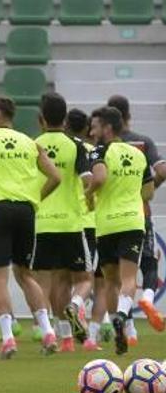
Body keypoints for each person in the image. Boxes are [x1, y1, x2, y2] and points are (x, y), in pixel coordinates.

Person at [0, 97, 62, 359]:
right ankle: (48, 331)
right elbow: (56, 177)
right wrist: (35, 199)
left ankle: (8, 338)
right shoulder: (31, 143)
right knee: (26, 274)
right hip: (26, 210)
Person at [86, 106, 157, 355]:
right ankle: (123, 318)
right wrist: (129, 196)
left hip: (106, 224)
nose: (91, 131)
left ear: (107, 128)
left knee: (110, 283)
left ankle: (120, 321)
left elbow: (100, 178)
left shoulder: (99, 150)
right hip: (132, 223)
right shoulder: (138, 153)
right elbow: (148, 192)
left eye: (95, 126)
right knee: (129, 280)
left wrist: (88, 195)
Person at [31, 93, 93, 353]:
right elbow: (89, 180)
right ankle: (76, 305)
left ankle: (55, 336)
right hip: (70, 223)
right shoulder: (76, 145)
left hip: (41, 223)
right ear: (65, 118)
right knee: (84, 279)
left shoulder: (31, 145)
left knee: (45, 284)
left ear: (40, 119)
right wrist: (88, 201)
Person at [107, 95, 166, 332]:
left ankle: (128, 327)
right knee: (148, 263)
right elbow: (162, 170)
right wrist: (145, 189)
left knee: (119, 274)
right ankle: (148, 299)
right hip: (140, 213)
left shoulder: (106, 147)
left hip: (110, 216)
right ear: (128, 116)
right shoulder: (143, 143)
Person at [66, 109, 114, 349]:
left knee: (70, 278)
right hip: (94, 222)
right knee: (99, 281)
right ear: (87, 128)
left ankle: (66, 330)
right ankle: (91, 332)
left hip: (74, 222)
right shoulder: (92, 153)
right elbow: (96, 182)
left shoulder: (67, 149)